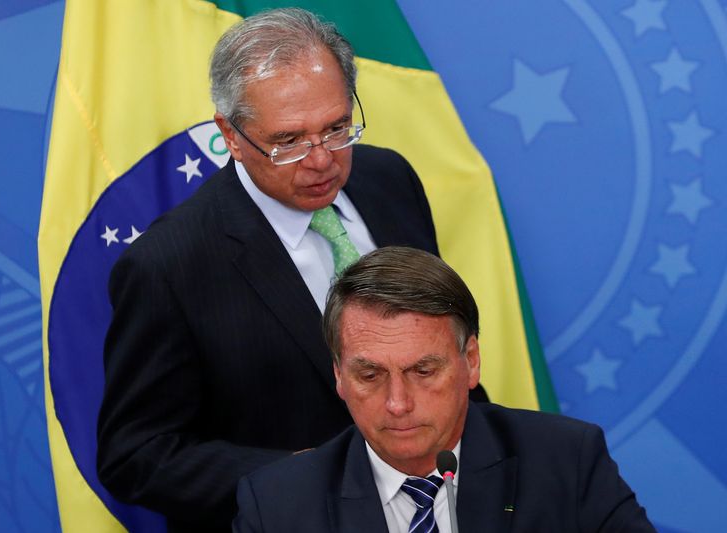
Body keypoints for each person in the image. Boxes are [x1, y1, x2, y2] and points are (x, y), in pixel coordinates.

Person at [96, 8, 485, 532]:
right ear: (231, 136)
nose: (322, 159)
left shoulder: (390, 180)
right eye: (288, 141)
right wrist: (298, 477)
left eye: (337, 128)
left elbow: (443, 349)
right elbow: (135, 455)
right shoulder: (167, 265)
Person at [233, 246, 656, 532]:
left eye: (423, 370)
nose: (397, 403)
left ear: (470, 361)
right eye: (370, 375)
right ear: (339, 376)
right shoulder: (277, 506)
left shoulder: (567, 461)